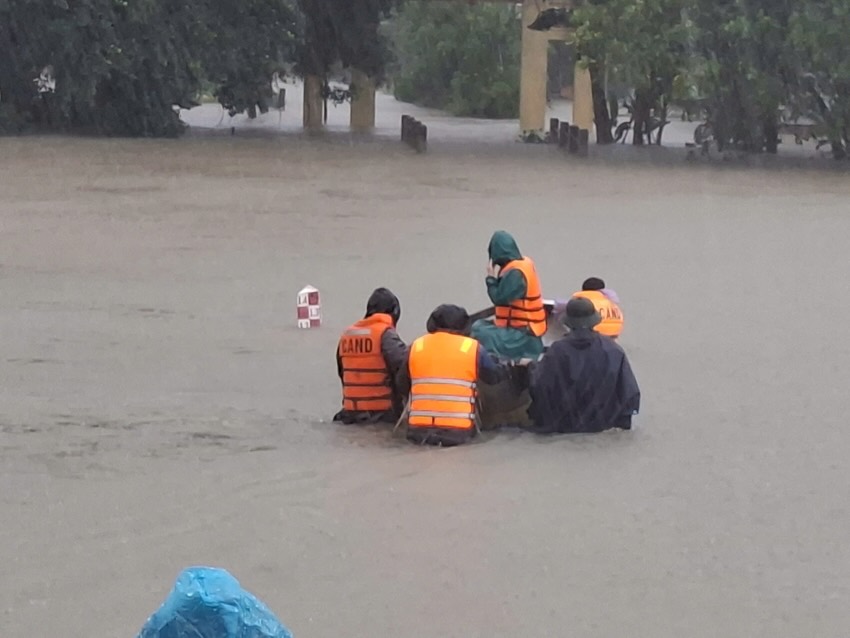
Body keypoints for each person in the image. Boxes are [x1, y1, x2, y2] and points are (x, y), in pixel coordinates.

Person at [397, 304, 513, 446]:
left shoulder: (416, 346)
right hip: (457, 433)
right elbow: (494, 377)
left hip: (417, 432)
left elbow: (401, 384)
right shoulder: (473, 348)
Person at [527, 297, 640, 433]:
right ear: (594, 321)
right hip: (603, 428)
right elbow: (630, 395)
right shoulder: (614, 351)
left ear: (568, 323)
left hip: (561, 428)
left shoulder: (557, 351)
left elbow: (539, 387)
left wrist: (530, 369)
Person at [333, 288, 408, 425]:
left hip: (349, 416)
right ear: (395, 312)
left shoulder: (346, 336)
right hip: (382, 416)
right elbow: (404, 368)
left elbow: (342, 373)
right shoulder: (386, 335)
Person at [470, 230, 547, 361]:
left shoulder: (515, 273)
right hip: (523, 329)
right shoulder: (522, 264)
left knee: (480, 332)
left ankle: (493, 363)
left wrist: (490, 278)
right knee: (480, 325)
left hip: (523, 335)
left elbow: (499, 298)